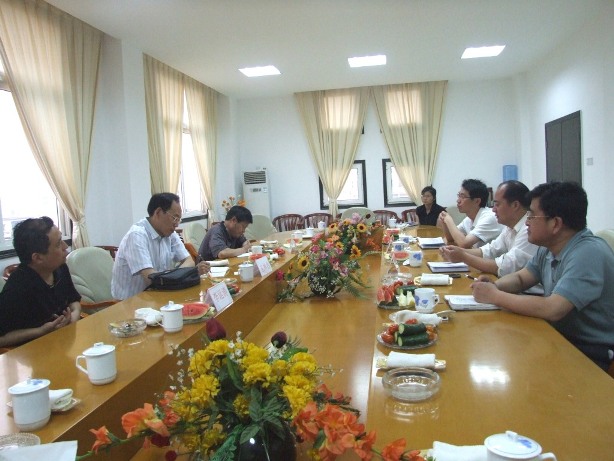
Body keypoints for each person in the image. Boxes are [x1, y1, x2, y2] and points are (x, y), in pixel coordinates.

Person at [472, 181, 614, 371]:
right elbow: (521, 278)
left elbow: (553, 309)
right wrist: (495, 286)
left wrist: (495, 296)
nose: (527, 222)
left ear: (555, 224)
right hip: (557, 337)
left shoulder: (588, 253)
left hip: (590, 351)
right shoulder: (548, 248)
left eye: (531, 215)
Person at [0, 217, 81, 347]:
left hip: (64, 342)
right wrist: (40, 331)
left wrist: (74, 315)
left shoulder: (60, 268)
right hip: (35, 351)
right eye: (58, 244)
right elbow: (2, 338)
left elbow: (73, 300)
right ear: (37, 258)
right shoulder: (16, 289)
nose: (65, 247)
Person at [111, 193, 207, 300]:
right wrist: (184, 274)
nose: (177, 224)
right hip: (132, 302)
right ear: (158, 212)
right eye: (175, 218)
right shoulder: (137, 235)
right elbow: (151, 279)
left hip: (159, 294)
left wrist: (176, 276)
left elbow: (189, 261)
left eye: (179, 219)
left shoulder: (169, 233)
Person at [440, 180, 540, 282]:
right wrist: (457, 252)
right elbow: (490, 251)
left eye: (497, 204)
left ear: (515, 205)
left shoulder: (528, 229)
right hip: (507, 283)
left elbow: (504, 267)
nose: (493, 209)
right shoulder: (509, 227)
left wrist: (463, 256)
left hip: (524, 289)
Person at [439, 178, 502, 248]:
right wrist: (444, 222)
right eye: (459, 195)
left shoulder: (489, 217)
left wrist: (449, 220)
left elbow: (464, 244)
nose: (458, 201)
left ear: (477, 201)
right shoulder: (468, 219)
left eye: (463, 197)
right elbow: (451, 239)